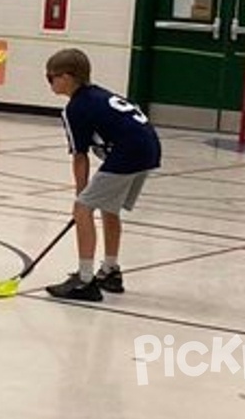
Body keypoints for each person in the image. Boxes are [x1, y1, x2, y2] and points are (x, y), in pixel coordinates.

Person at [43, 49, 161, 302]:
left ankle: (85, 280)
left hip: (128, 151)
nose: (49, 82)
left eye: (50, 77)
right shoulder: (99, 96)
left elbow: (80, 155)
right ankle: (110, 270)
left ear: (66, 77)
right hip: (149, 148)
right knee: (110, 207)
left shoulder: (76, 108)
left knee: (83, 208)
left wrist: (81, 198)